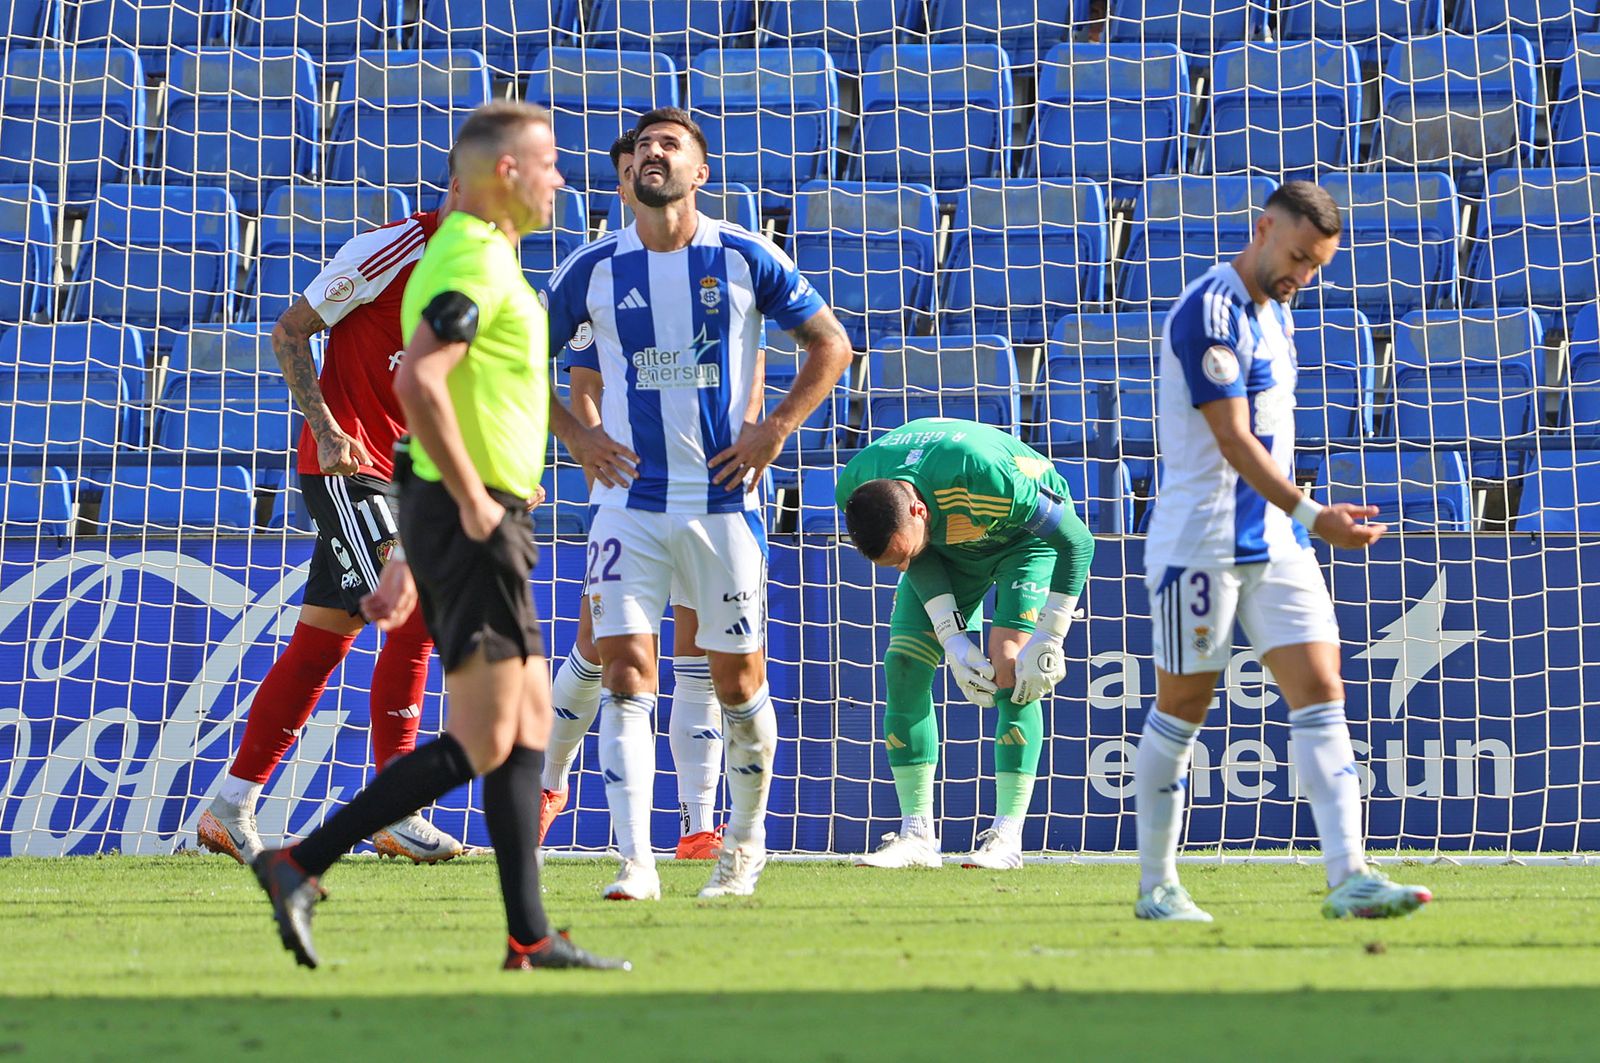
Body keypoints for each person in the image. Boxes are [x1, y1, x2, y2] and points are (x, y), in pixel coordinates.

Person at [250, 100, 633, 972]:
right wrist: (469, 503)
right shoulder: (466, 257)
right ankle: (299, 863)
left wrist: (420, 540)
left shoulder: (487, 256)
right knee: (488, 737)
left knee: (528, 720)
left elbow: (464, 392)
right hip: (477, 512)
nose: (561, 181)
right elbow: (422, 381)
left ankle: (528, 935)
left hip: (479, 508)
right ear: (507, 172)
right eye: (549, 165)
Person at [543, 106, 853, 899]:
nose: (653, 153)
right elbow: (512, 359)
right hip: (629, 505)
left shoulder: (747, 256)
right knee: (625, 671)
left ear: (699, 172)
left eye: (669, 146)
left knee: (739, 685)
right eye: (643, 145)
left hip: (724, 506)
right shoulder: (590, 269)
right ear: (628, 171)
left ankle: (742, 845)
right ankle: (634, 860)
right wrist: (576, 439)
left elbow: (832, 343)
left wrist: (776, 426)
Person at [1132, 181, 1432, 922]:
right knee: (1184, 707)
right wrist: (1313, 510)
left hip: (1276, 539)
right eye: (1298, 256)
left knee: (1323, 687)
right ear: (1264, 228)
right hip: (1200, 543)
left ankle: (1350, 875)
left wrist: (1302, 520)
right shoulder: (1209, 311)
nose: (1304, 274)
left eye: (1318, 265)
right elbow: (1232, 439)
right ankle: (1157, 886)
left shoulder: (1277, 313)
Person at [198, 156, 464, 866]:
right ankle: (395, 809)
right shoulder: (391, 248)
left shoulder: (486, 279)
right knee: (416, 604)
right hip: (349, 465)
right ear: (460, 184)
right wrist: (323, 425)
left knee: (323, 641)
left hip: (410, 474)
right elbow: (289, 332)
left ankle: (231, 803)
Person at [540, 130, 729, 873]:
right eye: (624, 170)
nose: (637, 174)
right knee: (601, 651)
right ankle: (548, 781)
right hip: (627, 490)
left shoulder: (720, 265)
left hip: (709, 490)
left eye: (648, 160)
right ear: (620, 188)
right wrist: (591, 449)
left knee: (698, 652)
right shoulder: (602, 276)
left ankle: (698, 822)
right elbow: (578, 382)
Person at [836, 418, 1096, 870]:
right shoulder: (856, 487)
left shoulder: (986, 476)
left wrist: (1052, 634)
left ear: (917, 511)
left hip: (1022, 542)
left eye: (900, 553)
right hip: (942, 550)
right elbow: (915, 557)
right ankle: (916, 836)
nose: (899, 566)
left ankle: (1006, 839)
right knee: (903, 665)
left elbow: (1077, 541)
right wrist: (952, 638)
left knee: (1010, 667)